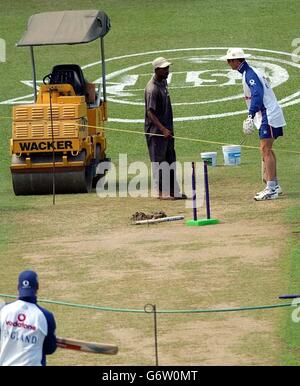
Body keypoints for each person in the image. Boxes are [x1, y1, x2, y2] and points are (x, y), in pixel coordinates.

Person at [223, 48, 286, 201]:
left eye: (229, 61)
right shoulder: (250, 72)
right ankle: (274, 184)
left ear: (236, 61)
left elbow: (257, 94)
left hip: (268, 115)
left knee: (265, 149)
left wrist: (250, 116)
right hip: (269, 113)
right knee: (266, 149)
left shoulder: (249, 74)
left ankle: (271, 188)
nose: (228, 63)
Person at [144, 57, 186, 200]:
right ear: (157, 70)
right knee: (159, 162)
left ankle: (173, 190)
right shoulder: (152, 89)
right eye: (164, 68)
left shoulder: (163, 82)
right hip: (157, 133)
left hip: (167, 131)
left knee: (170, 160)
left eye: (168, 67)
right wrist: (162, 130)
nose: (167, 70)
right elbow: (150, 112)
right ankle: (161, 192)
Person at [0, 270, 57, 366]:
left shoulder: (4, 310)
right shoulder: (46, 316)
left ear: (18, 287)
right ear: (37, 287)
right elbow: (50, 348)